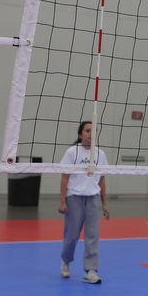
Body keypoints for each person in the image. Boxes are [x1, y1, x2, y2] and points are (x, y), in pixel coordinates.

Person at [58, 121, 110, 284]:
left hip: (93, 198)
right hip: (74, 197)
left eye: (93, 131)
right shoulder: (72, 152)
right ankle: (66, 261)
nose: (90, 134)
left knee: (92, 236)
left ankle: (90, 270)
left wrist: (104, 203)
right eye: (87, 131)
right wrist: (62, 201)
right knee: (71, 236)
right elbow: (64, 177)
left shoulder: (100, 154)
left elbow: (102, 179)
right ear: (81, 134)